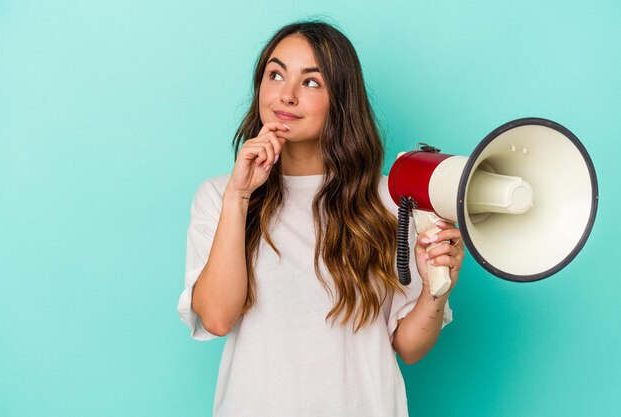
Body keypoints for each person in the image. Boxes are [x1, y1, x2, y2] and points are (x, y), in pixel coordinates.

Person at [177, 20, 465, 417]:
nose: (287, 95)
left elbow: (409, 347)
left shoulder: (390, 199)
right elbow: (217, 317)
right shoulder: (219, 196)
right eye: (275, 75)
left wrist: (437, 289)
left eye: (311, 82)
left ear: (340, 99)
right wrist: (239, 196)